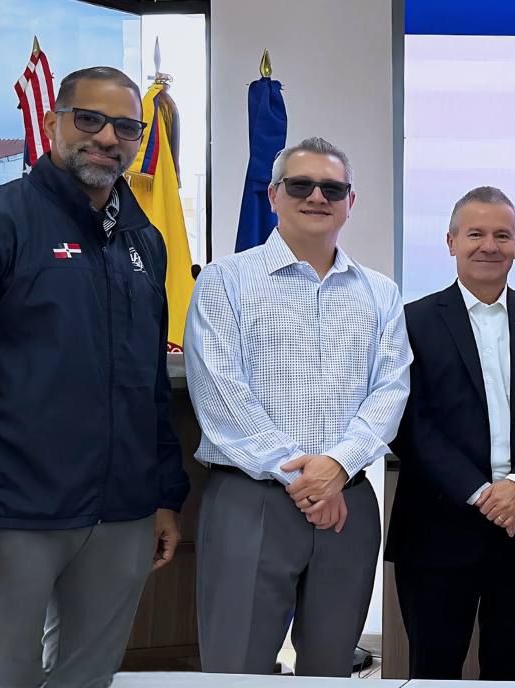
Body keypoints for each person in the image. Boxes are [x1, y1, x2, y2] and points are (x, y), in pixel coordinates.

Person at [0, 66, 186, 688]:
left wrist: (163, 495)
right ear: (52, 123)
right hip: (14, 514)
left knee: (88, 679)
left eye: (126, 126)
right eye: (88, 119)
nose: (107, 138)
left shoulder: (144, 240)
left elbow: (148, 381)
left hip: (122, 515)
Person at [186, 137, 412, 676]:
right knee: (235, 668)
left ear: (350, 202)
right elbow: (220, 391)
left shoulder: (381, 292)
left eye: (332, 188)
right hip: (252, 498)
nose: (317, 196)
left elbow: (391, 390)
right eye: (301, 185)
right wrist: (305, 478)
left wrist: (336, 467)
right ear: (273, 194)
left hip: (349, 502)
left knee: (331, 669)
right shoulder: (225, 280)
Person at [387, 187, 515, 680]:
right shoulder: (410, 321)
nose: (489, 246)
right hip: (438, 526)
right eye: (475, 233)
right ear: (451, 241)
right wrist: (481, 493)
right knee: (434, 668)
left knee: (511, 666)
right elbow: (408, 422)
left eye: (502, 235)